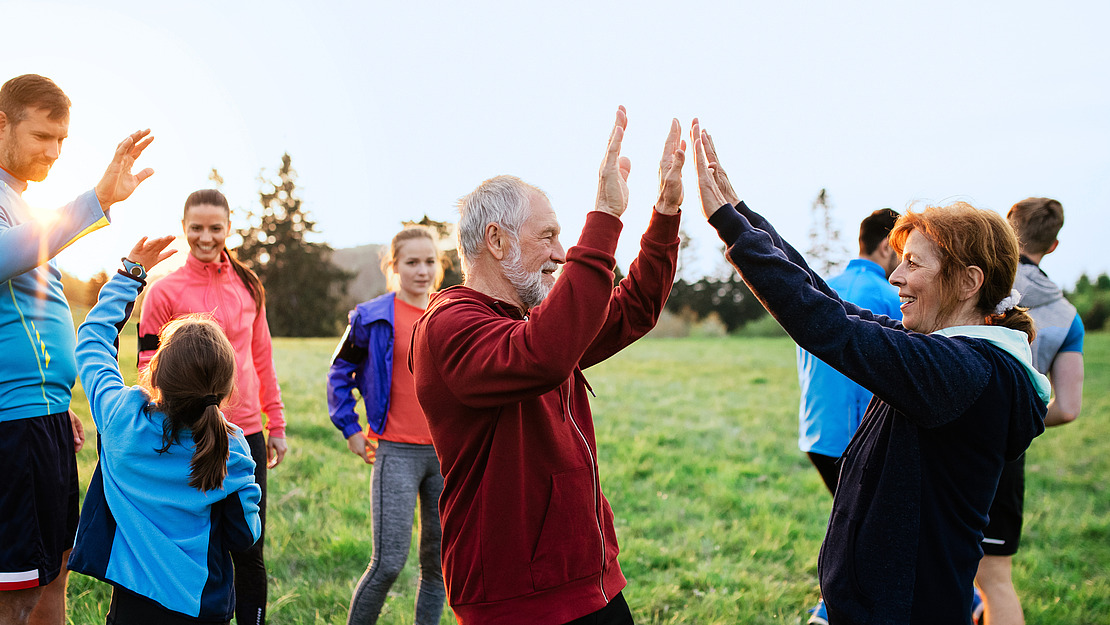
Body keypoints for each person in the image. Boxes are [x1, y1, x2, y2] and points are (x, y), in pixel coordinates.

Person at [690, 120, 1049, 624]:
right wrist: (745, 219)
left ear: (969, 282)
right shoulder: (953, 357)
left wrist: (728, 226)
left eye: (914, 265)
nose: (895, 276)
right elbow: (835, 305)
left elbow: (828, 325)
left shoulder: (961, 372)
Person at [410, 107, 684, 625]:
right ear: (496, 240)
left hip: (591, 576)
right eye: (548, 236)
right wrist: (603, 215)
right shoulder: (450, 326)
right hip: (517, 597)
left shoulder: (536, 321)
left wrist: (666, 212)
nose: (561, 253)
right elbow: (545, 354)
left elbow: (634, 307)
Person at [0, 73, 154, 625]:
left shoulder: (19, 202)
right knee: (13, 593)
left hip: (43, 419)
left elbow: (35, 316)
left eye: (62, 141)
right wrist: (97, 200)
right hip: (10, 427)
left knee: (54, 574)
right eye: (43, 136)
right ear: (2, 123)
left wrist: (57, 399)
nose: (54, 153)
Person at [68, 235, 262, 624]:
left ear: (154, 371)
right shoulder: (234, 450)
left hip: (131, 607)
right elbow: (244, 535)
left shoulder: (121, 417)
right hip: (203, 607)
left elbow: (92, 340)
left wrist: (131, 273)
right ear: (224, 391)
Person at [137, 189, 286, 625]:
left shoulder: (249, 285)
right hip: (187, 434)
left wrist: (274, 422)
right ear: (185, 229)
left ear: (228, 229)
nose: (206, 236)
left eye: (215, 228)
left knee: (249, 544)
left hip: (244, 434)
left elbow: (262, 357)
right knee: (195, 541)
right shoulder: (163, 291)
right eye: (197, 228)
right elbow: (148, 367)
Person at [327, 226, 447, 624]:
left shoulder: (450, 314)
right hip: (394, 452)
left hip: (447, 456)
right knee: (389, 563)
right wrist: (351, 429)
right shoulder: (370, 317)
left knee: (438, 567)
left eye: (430, 261)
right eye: (412, 262)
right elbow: (339, 372)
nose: (422, 270)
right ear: (393, 266)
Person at [974, 197, 1085, 625]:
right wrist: (1016, 422)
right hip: (1004, 455)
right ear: (1053, 246)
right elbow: (1069, 408)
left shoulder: (975, 280)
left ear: (1005, 227)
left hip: (942, 435)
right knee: (995, 577)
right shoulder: (1067, 314)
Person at [796, 208, 902, 624]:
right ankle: (829, 610)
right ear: (884, 248)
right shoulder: (888, 296)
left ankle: (831, 607)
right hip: (857, 438)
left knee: (853, 524)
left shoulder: (824, 287)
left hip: (816, 432)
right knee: (874, 531)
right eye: (904, 252)